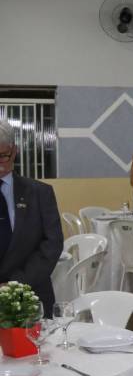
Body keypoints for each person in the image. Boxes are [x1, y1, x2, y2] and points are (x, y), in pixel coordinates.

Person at [0, 120, 62, 315]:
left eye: (3, 156)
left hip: (31, 295)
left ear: (14, 151)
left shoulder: (40, 193)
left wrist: (15, 284)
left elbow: (52, 244)